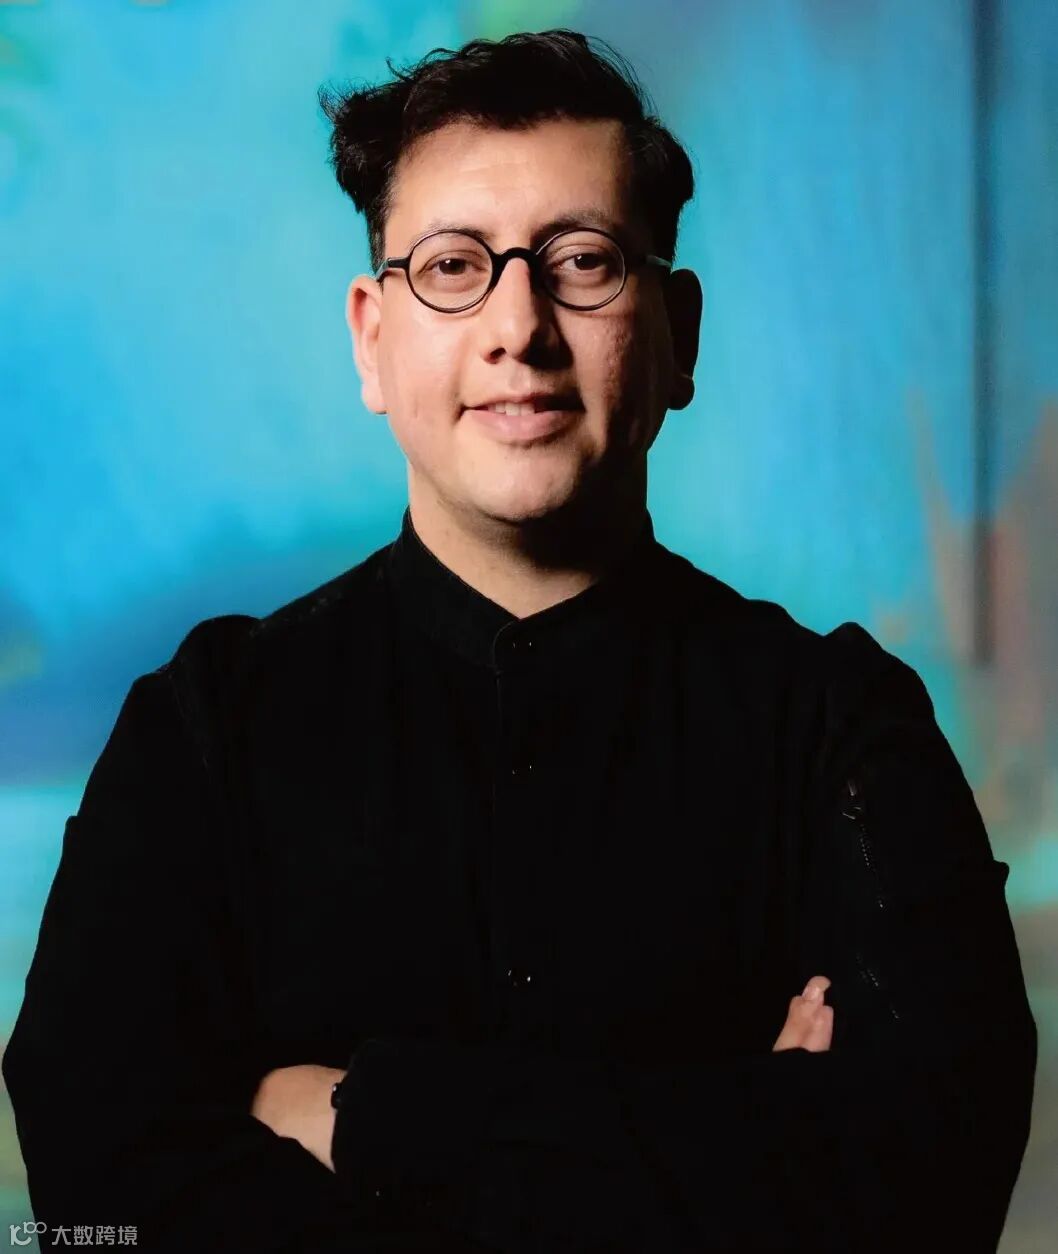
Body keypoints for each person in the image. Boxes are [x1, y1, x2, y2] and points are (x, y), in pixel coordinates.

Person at [2, 28, 1036, 1254]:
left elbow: (927, 1187)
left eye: (582, 262)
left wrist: (367, 1116)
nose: (518, 328)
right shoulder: (204, 726)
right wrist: (729, 1133)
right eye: (452, 267)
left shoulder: (838, 727)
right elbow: (96, 1196)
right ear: (370, 339)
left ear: (676, 333)